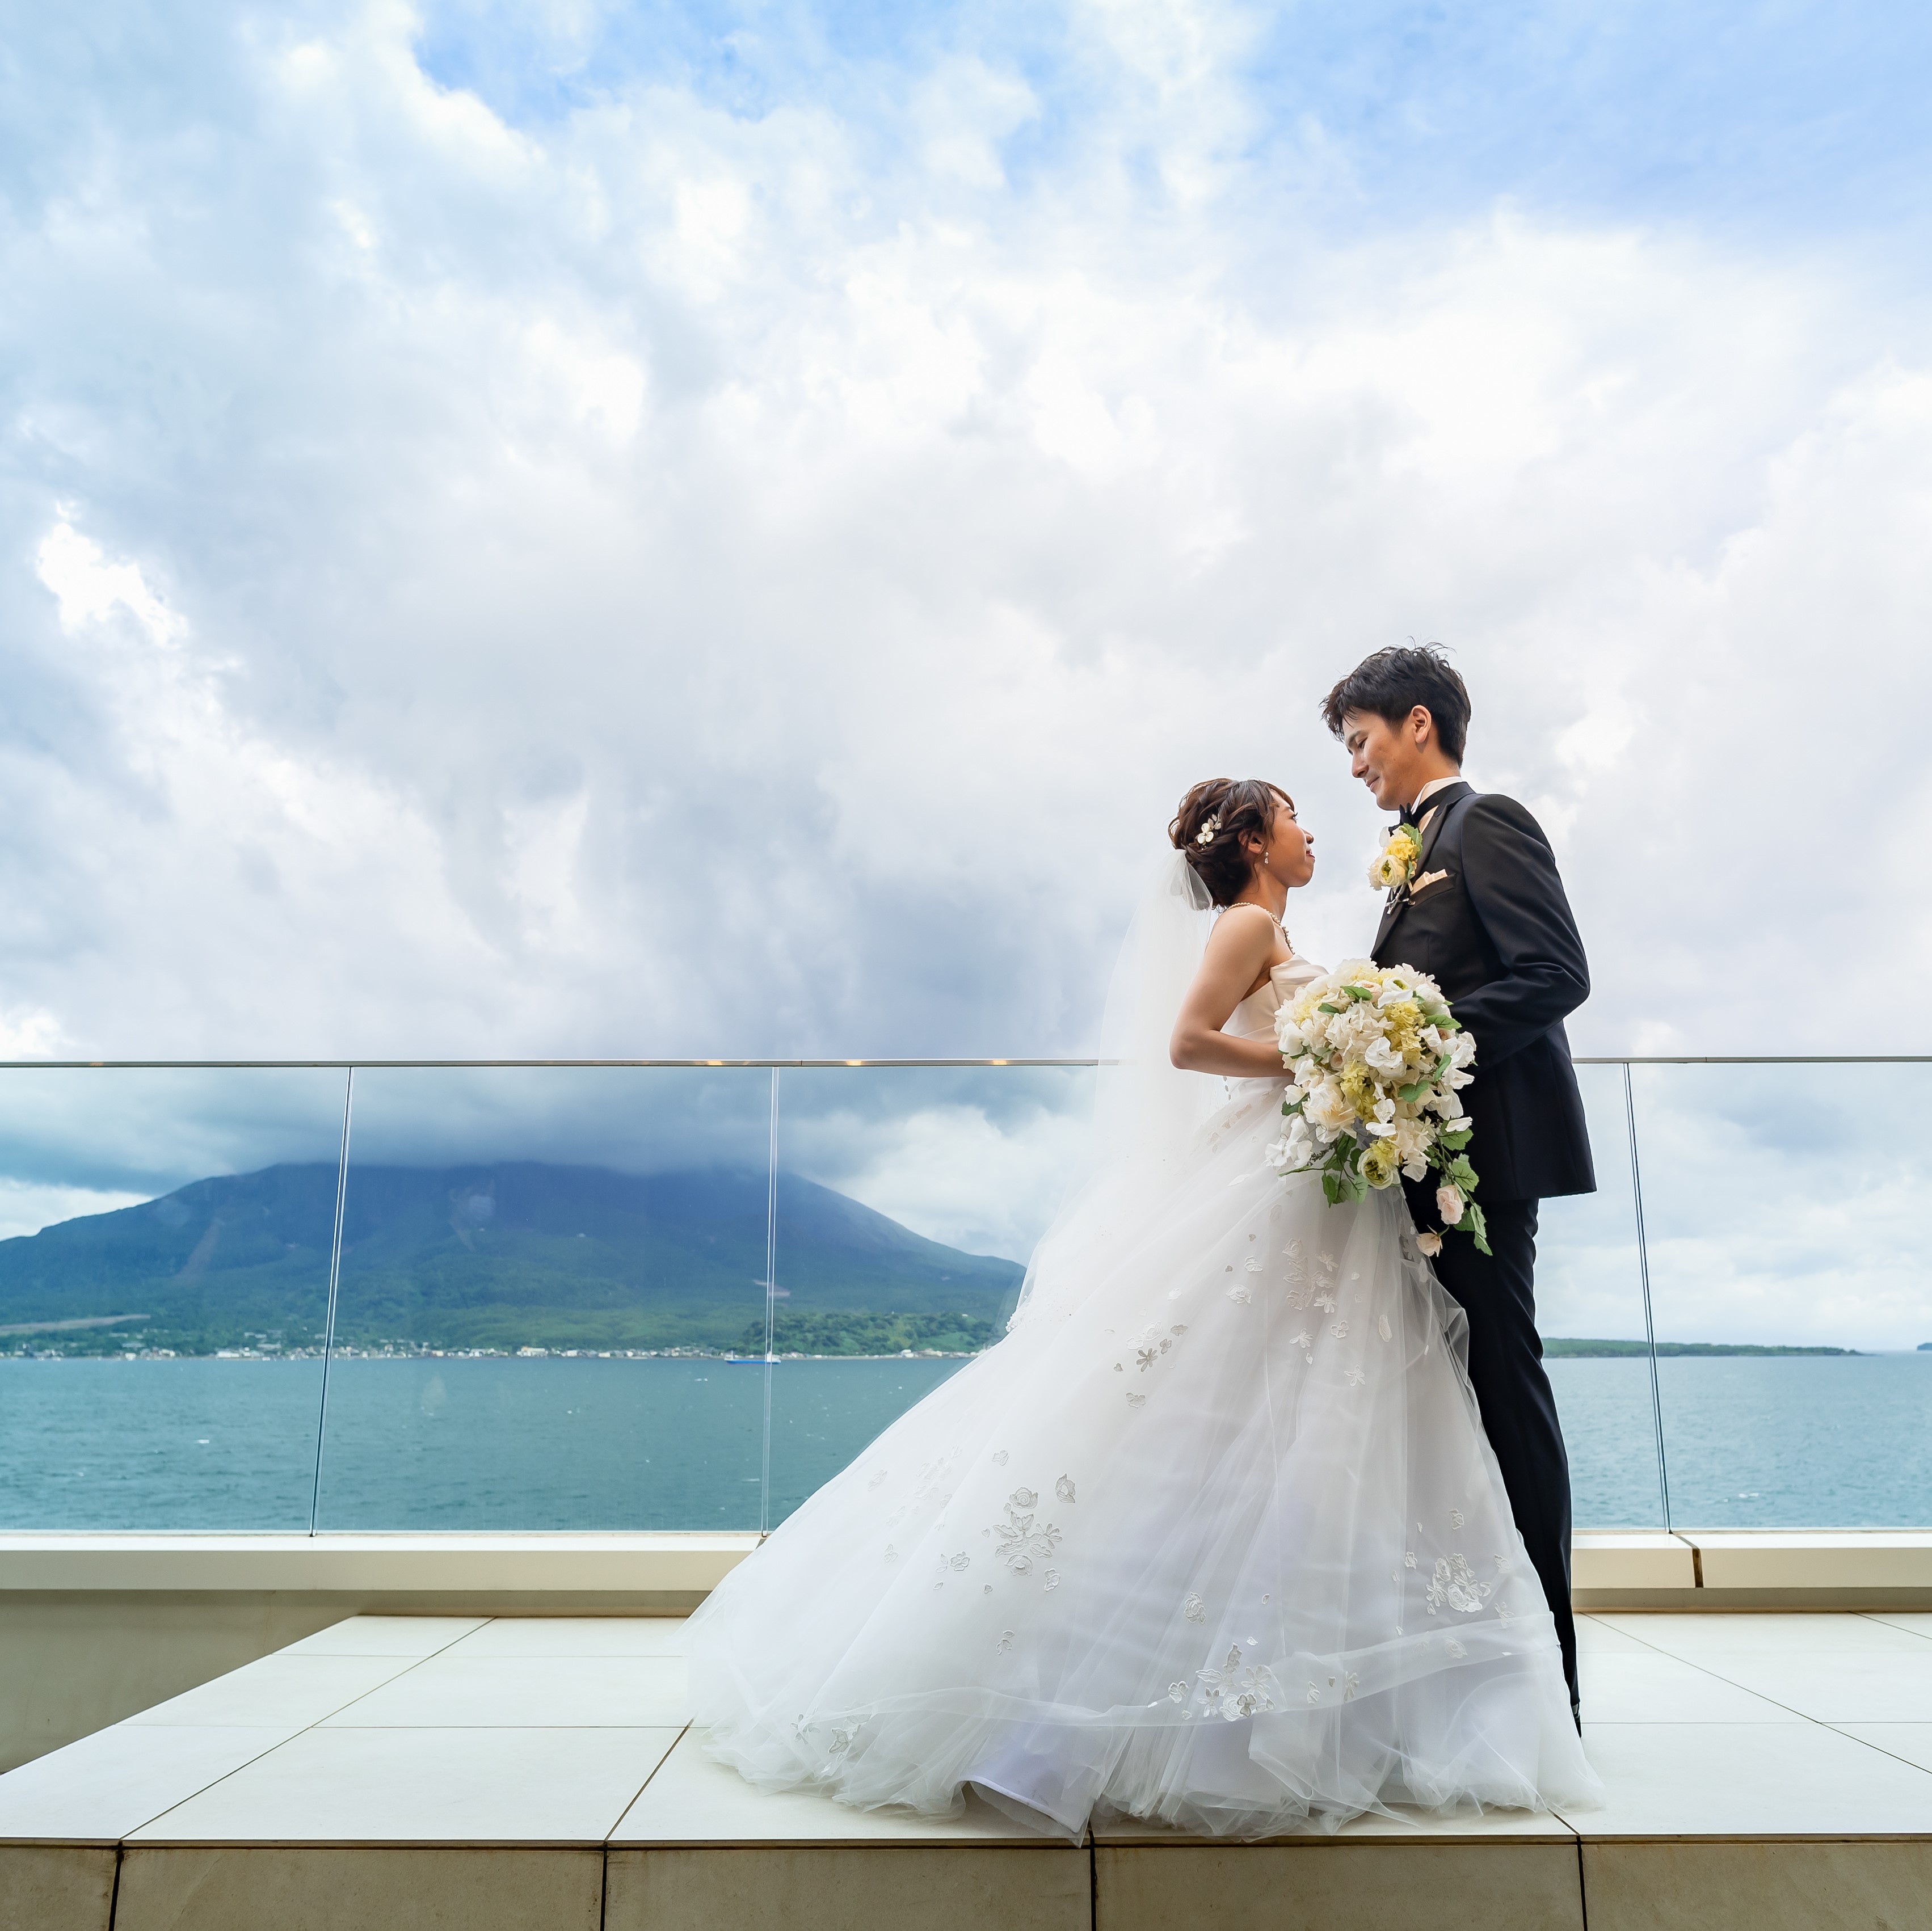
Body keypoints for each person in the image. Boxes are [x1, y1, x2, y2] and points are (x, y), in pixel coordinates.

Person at [685, 777, 1598, 1840]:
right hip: (1278, 1170)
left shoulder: (1275, 926)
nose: (1311, 828)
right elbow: (1189, 1041)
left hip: (1313, 1179)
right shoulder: (1246, 923)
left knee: (1294, 1425)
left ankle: (1308, 1685)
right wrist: (1316, 1061)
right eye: (1291, 817)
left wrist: (1337, 1069)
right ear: (1252, 841)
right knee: (1225, 1412)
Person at [1324, 645, 1594, 1722]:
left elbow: (1556, 974)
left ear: (1418, 724)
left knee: (1502, 1383)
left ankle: (1551, 1678)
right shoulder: (1411, 849)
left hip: (1488, 1159)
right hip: (1423, 1158)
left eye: (1360, 741)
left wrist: (1418, 1039)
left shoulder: (1485, 823)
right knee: (1452, 1392)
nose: (1355, 765)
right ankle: (1473, 1662)